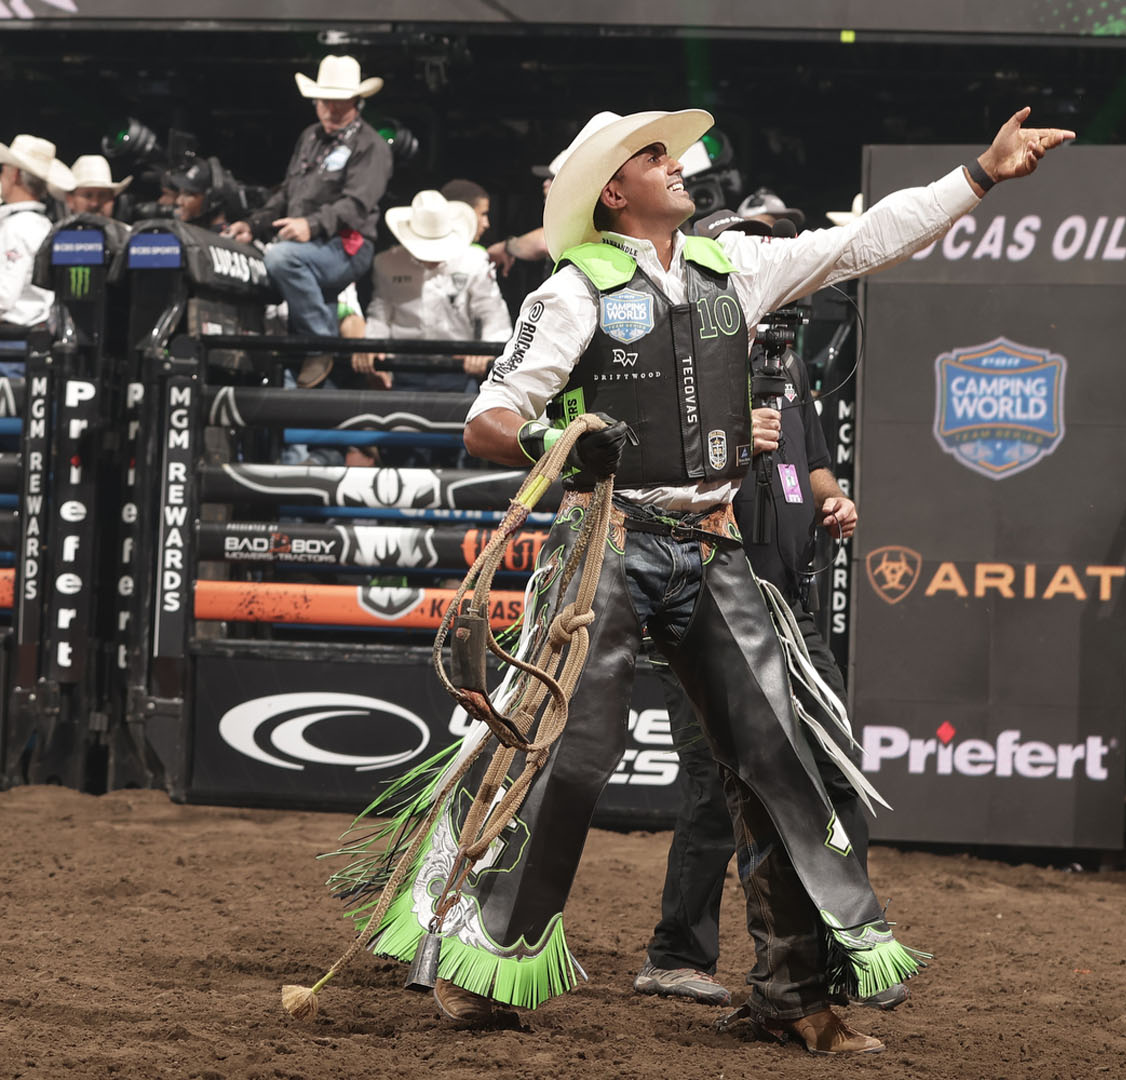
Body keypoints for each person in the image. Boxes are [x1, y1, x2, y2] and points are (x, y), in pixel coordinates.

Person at [355, 105, 1072, 1054]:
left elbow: (865, 238)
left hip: (708, 543)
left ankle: (794, 994)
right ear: (616, 191)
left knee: (781, 755)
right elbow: (488, 421)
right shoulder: (572, 291)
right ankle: (482, 958)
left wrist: (978, 176)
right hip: (606, 540)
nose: (676, 163)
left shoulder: (733, 266)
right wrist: (560, 441)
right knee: (564, 753)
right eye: (654, 157)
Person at [632, 210, 888, 1011]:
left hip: (790, 597)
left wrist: (833, 498)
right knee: (717, 781)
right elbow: (652, 464)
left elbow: (814, 460)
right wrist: (737, 432)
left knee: (836, 766)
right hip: (704, 593)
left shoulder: (785, 359)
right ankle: (677, 953)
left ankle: (843, 950)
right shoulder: (678, 351)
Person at [224, 54, 391, 388]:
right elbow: (287, 193)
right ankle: (317, 394)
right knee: (290, 277)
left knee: (281, 258)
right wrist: (253, 225)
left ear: (355, 102)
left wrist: (310, 225)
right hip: (310, 247)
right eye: (324, 101)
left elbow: (356, 205)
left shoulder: (370, 145)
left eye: (339, 102)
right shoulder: (310, 138)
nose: (331, 109)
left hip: (347, 245)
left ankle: (320, 344)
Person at [353, 189, 510, 400]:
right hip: (403, 368)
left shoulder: (474, 261)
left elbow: (494, 315)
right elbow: (380, 314)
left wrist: (485, 352)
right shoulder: (386, 263)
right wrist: (373, 348)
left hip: (459, 369)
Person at [0, 135, 75, 370]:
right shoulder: (43, 225)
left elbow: (4, 295)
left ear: (14, 175)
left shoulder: (17, 227)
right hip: (32, 340)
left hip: (11, 345)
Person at [59, 155, 130, 219]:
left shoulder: (127, 230)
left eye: (102, 195)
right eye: (88, 196)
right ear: (70, 200)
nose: (95, 204)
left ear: (112, 199)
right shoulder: (56, 230)